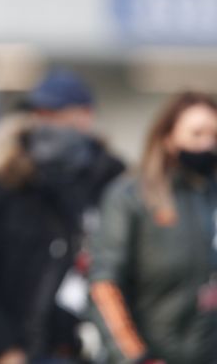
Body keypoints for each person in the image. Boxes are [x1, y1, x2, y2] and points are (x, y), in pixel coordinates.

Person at [0, 69, 124, 364]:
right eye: (39, 113)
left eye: (56, 113)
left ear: (85, 117)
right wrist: (3, 349)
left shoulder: (114, 188)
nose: (44, 123)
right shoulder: (6, 183)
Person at [88, 91, 217, 364]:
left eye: (214, 136)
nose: (207, 144)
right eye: (197, 134)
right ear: (168, 138)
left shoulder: (210, 196)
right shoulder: (130, 197)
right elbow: (105, 284)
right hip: (152, 353)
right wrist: (135, 357)